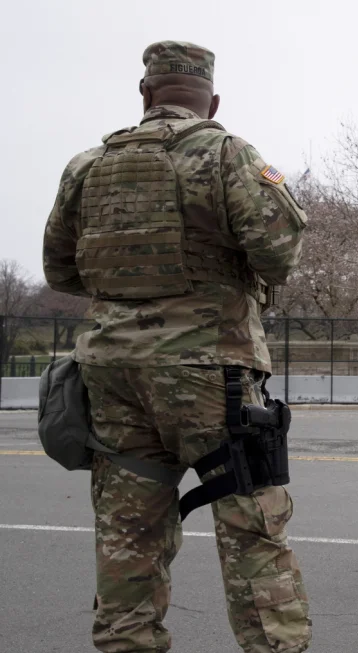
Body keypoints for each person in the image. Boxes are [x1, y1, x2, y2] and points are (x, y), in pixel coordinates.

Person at [41, 41, 311, 652]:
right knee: (252, 528)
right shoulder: (226, 154)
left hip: (112, 374)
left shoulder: (86, 165)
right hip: (211, 373)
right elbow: (279, 253)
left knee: (127, 532)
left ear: (144, 95)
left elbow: (59, 271)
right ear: (212, 101)